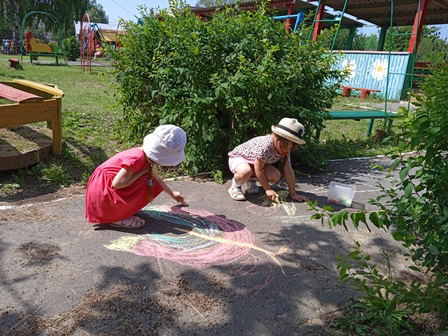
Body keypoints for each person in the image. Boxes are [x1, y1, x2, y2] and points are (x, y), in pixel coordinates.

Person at [86, 125, 188, 229]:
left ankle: (122, 210)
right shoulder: (137, 159)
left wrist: (172, 194)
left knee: (149, 178)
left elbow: (156, 178)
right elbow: (117, 184)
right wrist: (142, 172)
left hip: (105, 190)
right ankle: (117, 218)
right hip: (103, 193)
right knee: (145, 180)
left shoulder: (145, 157)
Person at [227, 117, 309, 203]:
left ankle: (251, 180)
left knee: (275, 175)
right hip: (240, 158)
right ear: (274, 135)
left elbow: (288, 171)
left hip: (257, 163)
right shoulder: (265, 146)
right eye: (283, 146)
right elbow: (258, 169)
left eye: (289, 148)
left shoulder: (286, 150)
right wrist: (268, 189)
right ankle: (235, 186)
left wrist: (293, 194)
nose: (285, 150)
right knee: (245, 172)